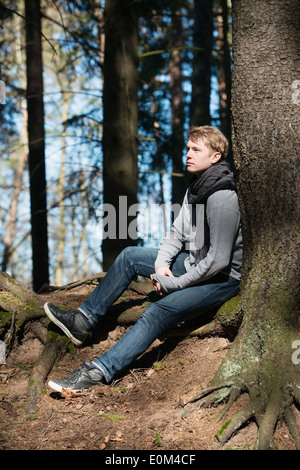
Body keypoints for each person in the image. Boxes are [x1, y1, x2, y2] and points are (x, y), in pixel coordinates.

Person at [44, 125, 243, 393]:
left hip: (222, 279)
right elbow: (176, 233)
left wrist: (175, 283)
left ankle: (98, 372)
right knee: (130, 256)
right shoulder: (197, 187)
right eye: (188, 148)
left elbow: (218, 261)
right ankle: (83, 322)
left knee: (157, 312)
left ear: (216, 156)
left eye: (196, 150)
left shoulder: (222, 196)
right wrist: (162, 265)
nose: (188, 154)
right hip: (197, 264)